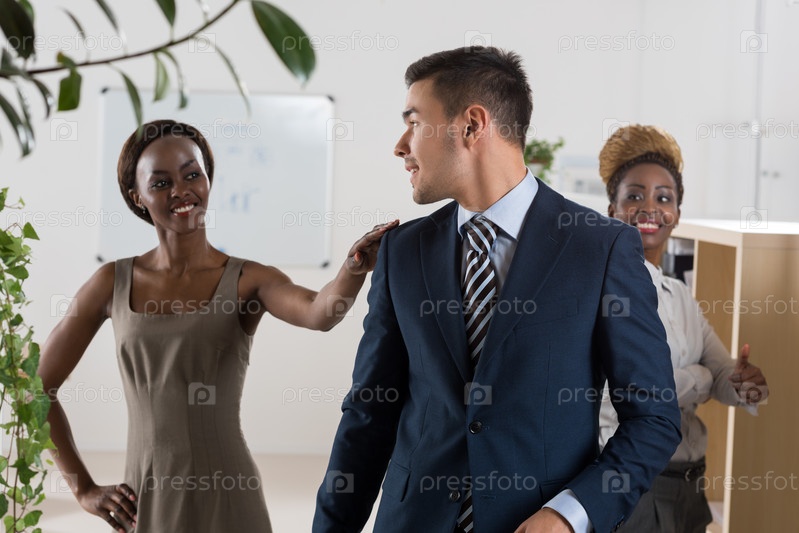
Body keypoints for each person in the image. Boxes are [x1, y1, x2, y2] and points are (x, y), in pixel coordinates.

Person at [313, 46, 681, 533]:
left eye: (414, 123)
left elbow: (653, 419)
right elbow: (369, 411)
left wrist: (570, 514)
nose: (400, 146)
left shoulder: (600, 247)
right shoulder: (403, 250)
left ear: (471, 125)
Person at [37, 119, 398, 533]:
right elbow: (37, 387)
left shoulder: (248, 279)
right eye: (161, 183)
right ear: (137, 197)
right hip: (147, 497)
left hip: (229, 495)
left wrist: (352, 269)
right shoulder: (110, 283)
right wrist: (82, 488)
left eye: (192, 174)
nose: (181, 191)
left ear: (208, 179)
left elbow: (320, 313)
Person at [597, 123, 769, 532]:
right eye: (634, 195)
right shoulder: (604, 292)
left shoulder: (679, 296)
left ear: (676, 214)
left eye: (664, 197)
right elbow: (625, 396)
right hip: (636, 488)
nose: (650, 208)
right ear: (612, 210)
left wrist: (743, 383)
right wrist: (702, 378)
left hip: (689, 488)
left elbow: (723, 371)